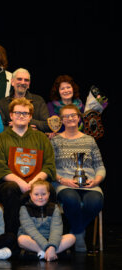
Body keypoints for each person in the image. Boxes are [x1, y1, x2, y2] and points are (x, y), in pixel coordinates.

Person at [0, 97, 56, 236]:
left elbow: (49, 165)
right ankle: (12, 237)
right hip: (10, 185)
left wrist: (33, 184)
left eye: (25, 113)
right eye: (17, 112)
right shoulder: (0, 139)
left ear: (30, 116)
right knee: (11, 190)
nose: (21, 116)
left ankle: (43, 237)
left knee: (48, 189)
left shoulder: (41, 138)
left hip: (36, 183)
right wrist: (20, 183)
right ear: (11, 115)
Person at [51, 104, 105, 252]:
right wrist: (63, 180)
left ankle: (75, 232)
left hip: (90, 184)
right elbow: (50, 168)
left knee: (95, 202)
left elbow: (99, 166)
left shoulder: (89, 140)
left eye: (73, 115)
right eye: (66, 116)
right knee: (71, 200)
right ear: (61, 120)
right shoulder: (55, 141)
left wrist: (97, 180)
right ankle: (80, 236)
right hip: (65, 184)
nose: (70, 118)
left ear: (78, 117)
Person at [18, 180, 75, 261]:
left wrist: (52, 246)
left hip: (51, 239)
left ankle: (44, 253)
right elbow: (31, 230)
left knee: (71, 238)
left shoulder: (54, 208)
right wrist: (47, 247)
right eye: (36, 194)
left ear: (48, 194)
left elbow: (56, 229)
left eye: (43, 194)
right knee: (22, 240)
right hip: (34, 240)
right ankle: (50, 253)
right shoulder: (24, 209)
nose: (40, 197)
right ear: (30, 195)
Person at [0, 68, 50, 132]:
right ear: (12, 82)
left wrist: (26, 122)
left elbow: (48, 125)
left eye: (26, 80)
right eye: (19, 79)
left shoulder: (38, 100)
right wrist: (18, 128)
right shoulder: (3, 103)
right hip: (11, 140)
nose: (23, 82)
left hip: (34, 140)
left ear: (29, 84)